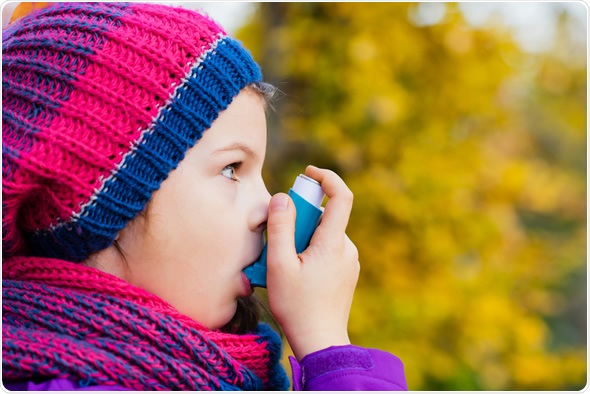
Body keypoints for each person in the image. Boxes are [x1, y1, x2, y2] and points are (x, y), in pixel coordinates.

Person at [2, 2, 408, 391]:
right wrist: (326, 343)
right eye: (232, 169)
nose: (269, 208)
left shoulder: (209, 369)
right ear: (100, 209)